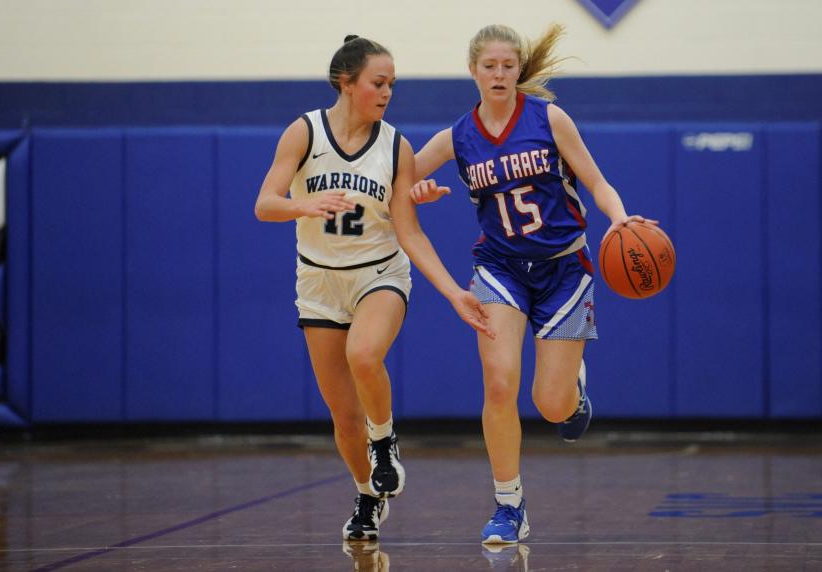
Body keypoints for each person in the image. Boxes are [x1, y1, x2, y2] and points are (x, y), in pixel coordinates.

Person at [406, 23, 657, 544]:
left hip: (566, 269)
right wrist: (421, 189)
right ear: (472, 70)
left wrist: (620, 219)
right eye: (489, 65)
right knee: (499, 385)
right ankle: (509, 506)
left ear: (519, 69)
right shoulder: (457, 136)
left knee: (552, 406)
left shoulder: (549, 118)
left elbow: (595, 180)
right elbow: (401, 182)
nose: (499, 74)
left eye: (508, 65)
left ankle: (574, 389)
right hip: (499, 269)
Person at [254, 35, 490, 541]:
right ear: (348, 82)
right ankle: (366, 493)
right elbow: (265, 203)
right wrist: (303, 206)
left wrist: (454, 293)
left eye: (392, 85)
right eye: (378, 83)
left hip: (379, 274)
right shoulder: (305, 133)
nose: (387, 93)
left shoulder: (396, 145)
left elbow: (409, 231)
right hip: (318, 282)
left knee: (365, 354)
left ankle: (384, 441)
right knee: (342, 416)